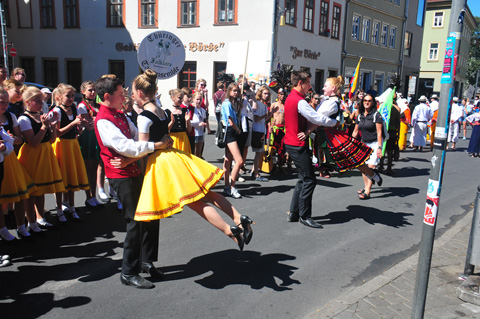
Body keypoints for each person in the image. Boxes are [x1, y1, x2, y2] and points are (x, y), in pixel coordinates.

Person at [132, 69, 254, 252]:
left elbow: (142, 148)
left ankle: (230, 231)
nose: (132, 95)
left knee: (194, 202)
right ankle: (238, 217)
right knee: (206, 194)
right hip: (174, 156)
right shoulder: (162, 112)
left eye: (133, 92)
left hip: (162, 163)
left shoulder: (144, 117)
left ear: (140, 93)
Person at [94, 76, 164, 289]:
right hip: (120, 176)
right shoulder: (104, 119)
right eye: (120, 94)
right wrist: (156, 145)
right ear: (107, 97)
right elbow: (126, 146)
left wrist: (144, 146)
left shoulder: (120, 114)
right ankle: (128, 272)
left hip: (133, 170)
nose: (124, 96)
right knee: (134, 221)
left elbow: (135, 137)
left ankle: (145, 261)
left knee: (150, 215)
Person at [303, 78, 382, 200]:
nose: (323, 88)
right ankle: (372, 175)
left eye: (325, 86)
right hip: (325, 135)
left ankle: (373, 175)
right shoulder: (327, 100)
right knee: (351, 161)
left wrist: (307, 131)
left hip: (332, 136)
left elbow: (318, 119)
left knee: (354, 160)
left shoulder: (332, 103)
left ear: (333, 88)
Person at [284, 70, 337, 228]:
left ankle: (294, 213)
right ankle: (304, 215)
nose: (310, 86)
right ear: (300, 83)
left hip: (293, 143)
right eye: (308, 83)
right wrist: (334, 123)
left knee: (303, 178)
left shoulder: (294, 98)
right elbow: (316, 117)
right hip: (296, 145)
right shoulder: (298, 101)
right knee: (309, 179)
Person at [17, 87, 65, 232]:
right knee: (32, 190)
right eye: (37, 101)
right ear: (27, 102)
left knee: (41, 189)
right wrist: (44, 127)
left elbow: (51, 140)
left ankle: (40, 218)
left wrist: (52, 125)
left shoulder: (41, 116)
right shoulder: (24, 119)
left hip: (45, 153)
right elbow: (33, 142)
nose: (40, 104)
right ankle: (31, 222)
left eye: (41, 101)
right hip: (32, 155)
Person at [51, 84, 89, 222]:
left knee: (71, 175)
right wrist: (73, 124)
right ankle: (59, 208)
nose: (71, 98)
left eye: (72, 96)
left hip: (72, 144)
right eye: (68, 96)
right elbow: (57, 133)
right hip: (62, 145)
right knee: (62, 176)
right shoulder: (57, 111)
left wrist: (79, 128)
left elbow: (76, 130)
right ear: (59, 97)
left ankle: (71, 206)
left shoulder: (73, 108)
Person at [0, 88, 34, 241]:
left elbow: (20, 139)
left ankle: (21, 226)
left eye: (6, 102)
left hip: (10, 159)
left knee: (20, 194)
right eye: (1, 102)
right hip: (2, 159)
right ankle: (3, 230)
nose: (5, 105)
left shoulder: (11, 116)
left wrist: (12, 139)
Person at [351, 93, 384, 199]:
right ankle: (368, 184)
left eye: (369, 100)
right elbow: (355, 131)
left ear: (373, 102)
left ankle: (368, 192)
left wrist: (379, 148)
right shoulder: (360, 115)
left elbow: (379, 133)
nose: (367, 102)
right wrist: (350, 144)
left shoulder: (376, 115)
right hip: (364, 143)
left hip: (374, 143)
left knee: (371, 166)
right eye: (365, 100)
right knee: (363, 167)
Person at [77, 81, 104, 208]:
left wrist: (96, 121)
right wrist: (98, 121)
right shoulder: (82, 106)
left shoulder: (98, 105)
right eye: (89, 90)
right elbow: (87, 126)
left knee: (95, 168)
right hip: (88, 138)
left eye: (94, 90)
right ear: (83, 92)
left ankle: (94, 195)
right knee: (89, 169)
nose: (93, 92)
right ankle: (89, 197)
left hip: (97, 137)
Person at [222, 83, 244, 198]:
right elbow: (230, 121)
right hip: (231, 132)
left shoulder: (233, 103)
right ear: (229, 91)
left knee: (228, 159)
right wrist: (238, 130)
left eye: (237, 91)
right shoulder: (227, 104)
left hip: (231, 132)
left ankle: (227, 187)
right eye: (234, 90)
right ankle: (232, 187)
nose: (236, 92)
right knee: (239, 161)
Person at [251, 85, 273, 181]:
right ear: (260, 93)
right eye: (265, 93)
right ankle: (256, 174)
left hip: (261, 130)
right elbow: (256, 119)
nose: (266, 95)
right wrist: (267, 115)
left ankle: (254, 171)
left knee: (259, 153)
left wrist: (271, 113)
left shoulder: (264, 105)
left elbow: (264, 119)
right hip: (256, 131)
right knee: (258, 154)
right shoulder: (257, 104)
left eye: (267, 93)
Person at [168, 88, 191, 153]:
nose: (181, 100)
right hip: (173, 138)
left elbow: (189, 130)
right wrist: (172, 122)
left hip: (183, 138)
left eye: (182, 98)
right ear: (173, 97)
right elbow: (165, 130)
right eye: (179, 98)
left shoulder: (185, 110)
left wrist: (188, 121)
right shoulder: (167, 111)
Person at [270, 88, 288, 171]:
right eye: (280, 94)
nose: (282, 96)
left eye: (283, 94)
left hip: (283, 129)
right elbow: (270, 117)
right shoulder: (274, 105)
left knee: (282, 149)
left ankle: (280, 165)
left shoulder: (286, 105)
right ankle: (272, 165)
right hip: (275, 129)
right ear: (278, 94)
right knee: (273, 147)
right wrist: (270, 126)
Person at [190, 92, 207, 158]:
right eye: (197, 99)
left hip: (201, 133)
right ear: (193, 99)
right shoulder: (192, 109)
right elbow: (189, 122)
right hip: (194, 133)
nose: (199, 101)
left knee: (199, 153)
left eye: (200, 99)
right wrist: (198, 124)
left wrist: (205, 125)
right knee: (194, 152)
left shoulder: (202, 110)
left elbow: (203, 119)